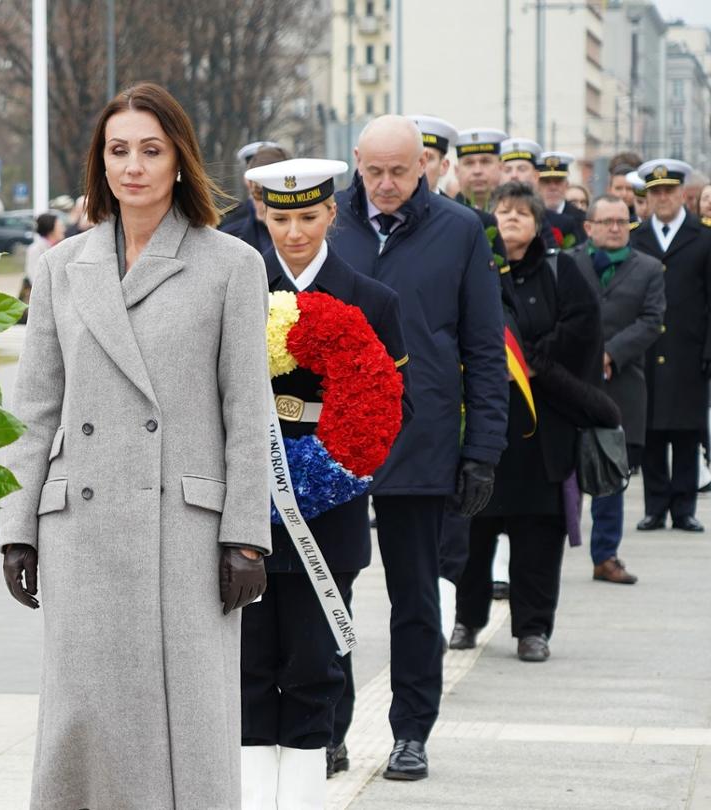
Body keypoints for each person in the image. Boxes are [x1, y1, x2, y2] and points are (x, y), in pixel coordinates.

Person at [1, 80, 272, 809]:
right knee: (84, 716)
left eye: (151, 150)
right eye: (118, 150)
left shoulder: (231, 266)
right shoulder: (61, 267)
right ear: (100, 162)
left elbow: (249, 412)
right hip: (81, 531)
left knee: (187, 722)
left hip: (185, 533)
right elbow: (35, 409)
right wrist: (16, 530)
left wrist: (246, 533)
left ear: (179, 160)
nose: (134, 167)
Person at [327, 115, 507, 781]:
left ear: (424, 165)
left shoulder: (458, 231)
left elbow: (484, 348)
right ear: (356, 162)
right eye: (373, 171)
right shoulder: (327, 223)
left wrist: (482, 449)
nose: (386, 185)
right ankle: (328, 729)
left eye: (400, 171)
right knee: (329, 595)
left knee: (416, 599)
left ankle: (411, 733)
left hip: (422, 440)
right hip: (333, 443)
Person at [239, 157, 406, 810]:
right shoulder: (236, 291)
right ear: (263, 215)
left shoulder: (373, 300)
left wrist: (332, 475)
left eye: (309, 216)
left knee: (313, 670)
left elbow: (394, 408)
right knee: (249, 669)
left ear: (333, 214)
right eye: (281, 218)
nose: (295, 232)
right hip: (244, 520)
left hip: (328, 525)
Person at [452, 181, 604, 663]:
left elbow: (585, 326)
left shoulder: (562, 272)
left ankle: (533, 629)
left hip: (544, 433)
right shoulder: (474, 270)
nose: (511, 219)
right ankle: (467, 619)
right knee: (473, 536)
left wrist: (540, 357)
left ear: (539, 223)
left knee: (538, 539)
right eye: (503, 210)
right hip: (485, 429)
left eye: (522, 212)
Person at [570, 195, 662, 585]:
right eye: (606, 221)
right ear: (588, 226)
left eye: (622, 222)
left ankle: (605, 555)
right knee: (563, 472)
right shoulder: (567, 263)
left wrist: (611, 354)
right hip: (569, 383)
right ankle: (546, 549)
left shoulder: (649, 268)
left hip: (620, 384)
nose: (615, 228)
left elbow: (652, 320)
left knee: (609, 470)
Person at [627, 159, 711, 533]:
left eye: (668, 191)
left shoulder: (703, 238)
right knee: (652, 431)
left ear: (682, 194)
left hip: (688, 348)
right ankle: (655, 505)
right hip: (646, 349)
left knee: (687, 431)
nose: (662, 198)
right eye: (655, 192)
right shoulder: (636, 237)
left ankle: (684, 508)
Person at [221, 143, 289, 254]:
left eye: (275, 192)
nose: (267, 201)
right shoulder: (231, 232)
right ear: (248, 182)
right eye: (260, 193)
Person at [452, 128, 507, 227]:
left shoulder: (515, 216)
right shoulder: (447, 216)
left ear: (501, 167)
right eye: (469, 163)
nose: (477, 171)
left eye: (485, 161)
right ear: (456, 171)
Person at [20, 210, 62, 317]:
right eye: (59, 226)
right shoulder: (35, 249)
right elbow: (33, 276)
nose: (63, 229)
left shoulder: (59, 247)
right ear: (51, 229)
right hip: (42, 301)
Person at [410, 114, 458, 194]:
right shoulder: (386, 206)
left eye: (428, 159)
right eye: (412, 158)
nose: (418, 166)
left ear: (443, 166)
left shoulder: (450, 207)